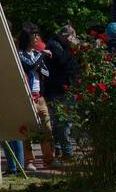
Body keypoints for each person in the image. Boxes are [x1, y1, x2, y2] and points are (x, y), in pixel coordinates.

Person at [16, 23, 55, 171]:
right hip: (28, 97)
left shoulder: (37, 54)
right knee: (28, 131)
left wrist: (39, 59)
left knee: (47, 129)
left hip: (40, 97)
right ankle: (29, 161)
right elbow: (29, 66)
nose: (37, 38)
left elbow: (46, 72)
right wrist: (42, 55)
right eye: (34, 35)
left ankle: (49, 159)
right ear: (28, 38)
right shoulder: (20, 54)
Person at [44, 26, 77, 163]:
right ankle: (67, 152)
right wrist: (71, 49)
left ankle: (58, 148)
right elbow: (62, 60)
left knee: (61, 122)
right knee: (63, 122)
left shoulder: (60, 45)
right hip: (57, 89)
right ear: (65, 36)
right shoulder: (53, 45)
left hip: (65, 88)